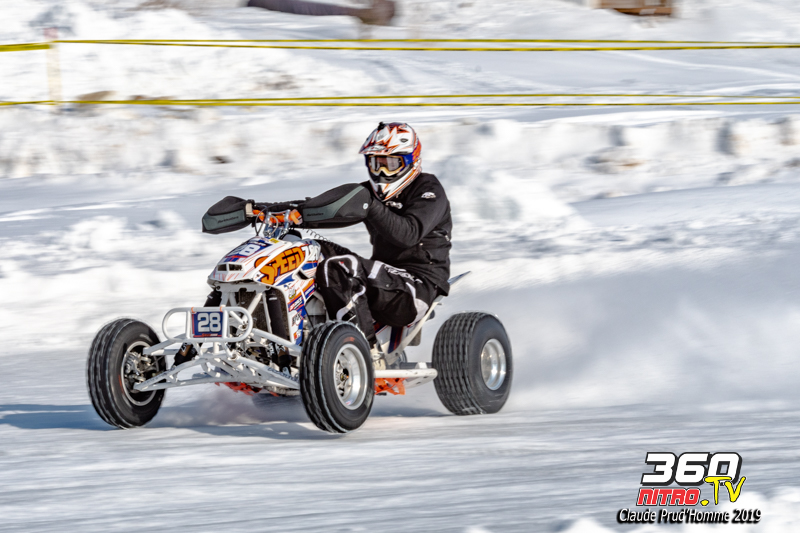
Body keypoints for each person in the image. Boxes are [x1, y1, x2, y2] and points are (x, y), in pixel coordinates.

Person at [305, 122, 452, 343]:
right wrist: (268, 210)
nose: (382, 172)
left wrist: (370, 206)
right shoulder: (368, 193)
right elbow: (321, 208)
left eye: (391, 164)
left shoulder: (429, 189)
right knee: (311, 249)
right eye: (376, 164)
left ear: (411, 161)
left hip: (419, 286)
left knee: (341, 266)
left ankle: (365, 350)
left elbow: (408, 234)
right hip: (383, 279)